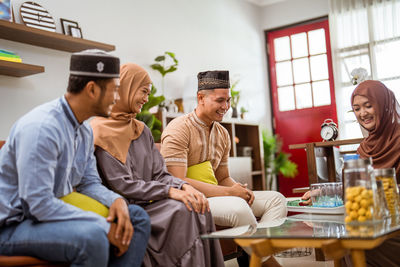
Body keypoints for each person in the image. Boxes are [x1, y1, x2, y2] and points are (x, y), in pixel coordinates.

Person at [0, 50, 150, 267]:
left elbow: (88, 183)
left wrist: (116, 201)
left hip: (41, 218)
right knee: (93, 236)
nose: (117, 98)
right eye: (114, 90)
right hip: (12, 225)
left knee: (136, 218)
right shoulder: (43, 128)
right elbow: (38, 204)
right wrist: (101, 223)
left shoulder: (85, 131)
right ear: (92, 89)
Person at [91, 63, 224, 267]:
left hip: (154, 202)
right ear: (125, 88)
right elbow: (123, 185)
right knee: (183, 211)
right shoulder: (98, 131)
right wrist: (170, 193)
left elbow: (160, 174)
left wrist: (185, 187)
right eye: (143, 92)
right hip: (129, 208)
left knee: (198, 205)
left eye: (148, 93)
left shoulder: (141, 130)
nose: (146, 99)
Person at [160, 70, 287, 266]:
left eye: (228, 100)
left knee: (276, 200)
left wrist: (240, 190)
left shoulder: (222, 133)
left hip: (218, 195)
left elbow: (223, 177)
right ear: (200, 98)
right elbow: (177, 181)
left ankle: (252, 256)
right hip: (189, 199)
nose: (226, 107)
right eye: (220, 101)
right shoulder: (179, 128)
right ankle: (266, 261)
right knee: (238, 207)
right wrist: (230, 193)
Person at [303, 80, 400, 267]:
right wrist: (322, 192)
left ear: (383, 105)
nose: (362, 113)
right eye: (356, 108)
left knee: (356, 242)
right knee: (345, 238)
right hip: (372, 222)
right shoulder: (365, 148)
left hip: (394, 226)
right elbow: (357, 187)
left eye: (368, 106)